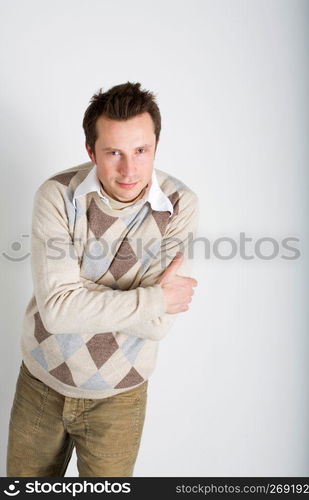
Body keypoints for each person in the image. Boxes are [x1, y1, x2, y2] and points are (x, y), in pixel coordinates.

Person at [6, 81, 199, 477]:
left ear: (156, 146)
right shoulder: (57, 195)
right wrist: (154, 297)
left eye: (141, 151)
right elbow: (58, 311)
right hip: (40, 383)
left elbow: (158, 326)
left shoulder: (180, 204)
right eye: (113, 153)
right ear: (90, 151)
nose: (130, 170)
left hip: (120, 397)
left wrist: (82, 295)